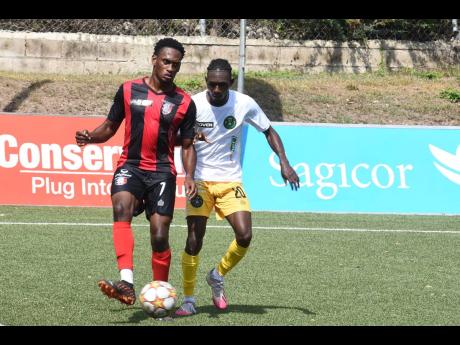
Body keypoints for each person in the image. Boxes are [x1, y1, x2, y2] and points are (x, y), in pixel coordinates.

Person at [75, 38, 197, 306]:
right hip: (130, 166)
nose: (170, 68)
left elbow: (188, 145)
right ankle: (126, 283)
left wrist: (190, 176)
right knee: (121, 208)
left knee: (159, 235)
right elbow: (109, 126)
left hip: (163, 172)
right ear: (154, 59)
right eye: (166, 61)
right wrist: (90, 137)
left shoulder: (185, 102)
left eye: (175, 65)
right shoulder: (129, 90)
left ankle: (161, 290)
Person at [174, 58, 300, 316]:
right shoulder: (193, 104)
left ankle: (217, 275)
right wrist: (189, 153)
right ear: (205, 81)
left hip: (231, 180)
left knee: (245, 235)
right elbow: (174, 137)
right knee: (194, 240)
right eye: (212, 84)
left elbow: (269, 130)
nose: (216, 90)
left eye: (221, 85)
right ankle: (188, 299)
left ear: (230, 82)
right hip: (199, 180)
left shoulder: (244, 103)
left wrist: (284, 163)